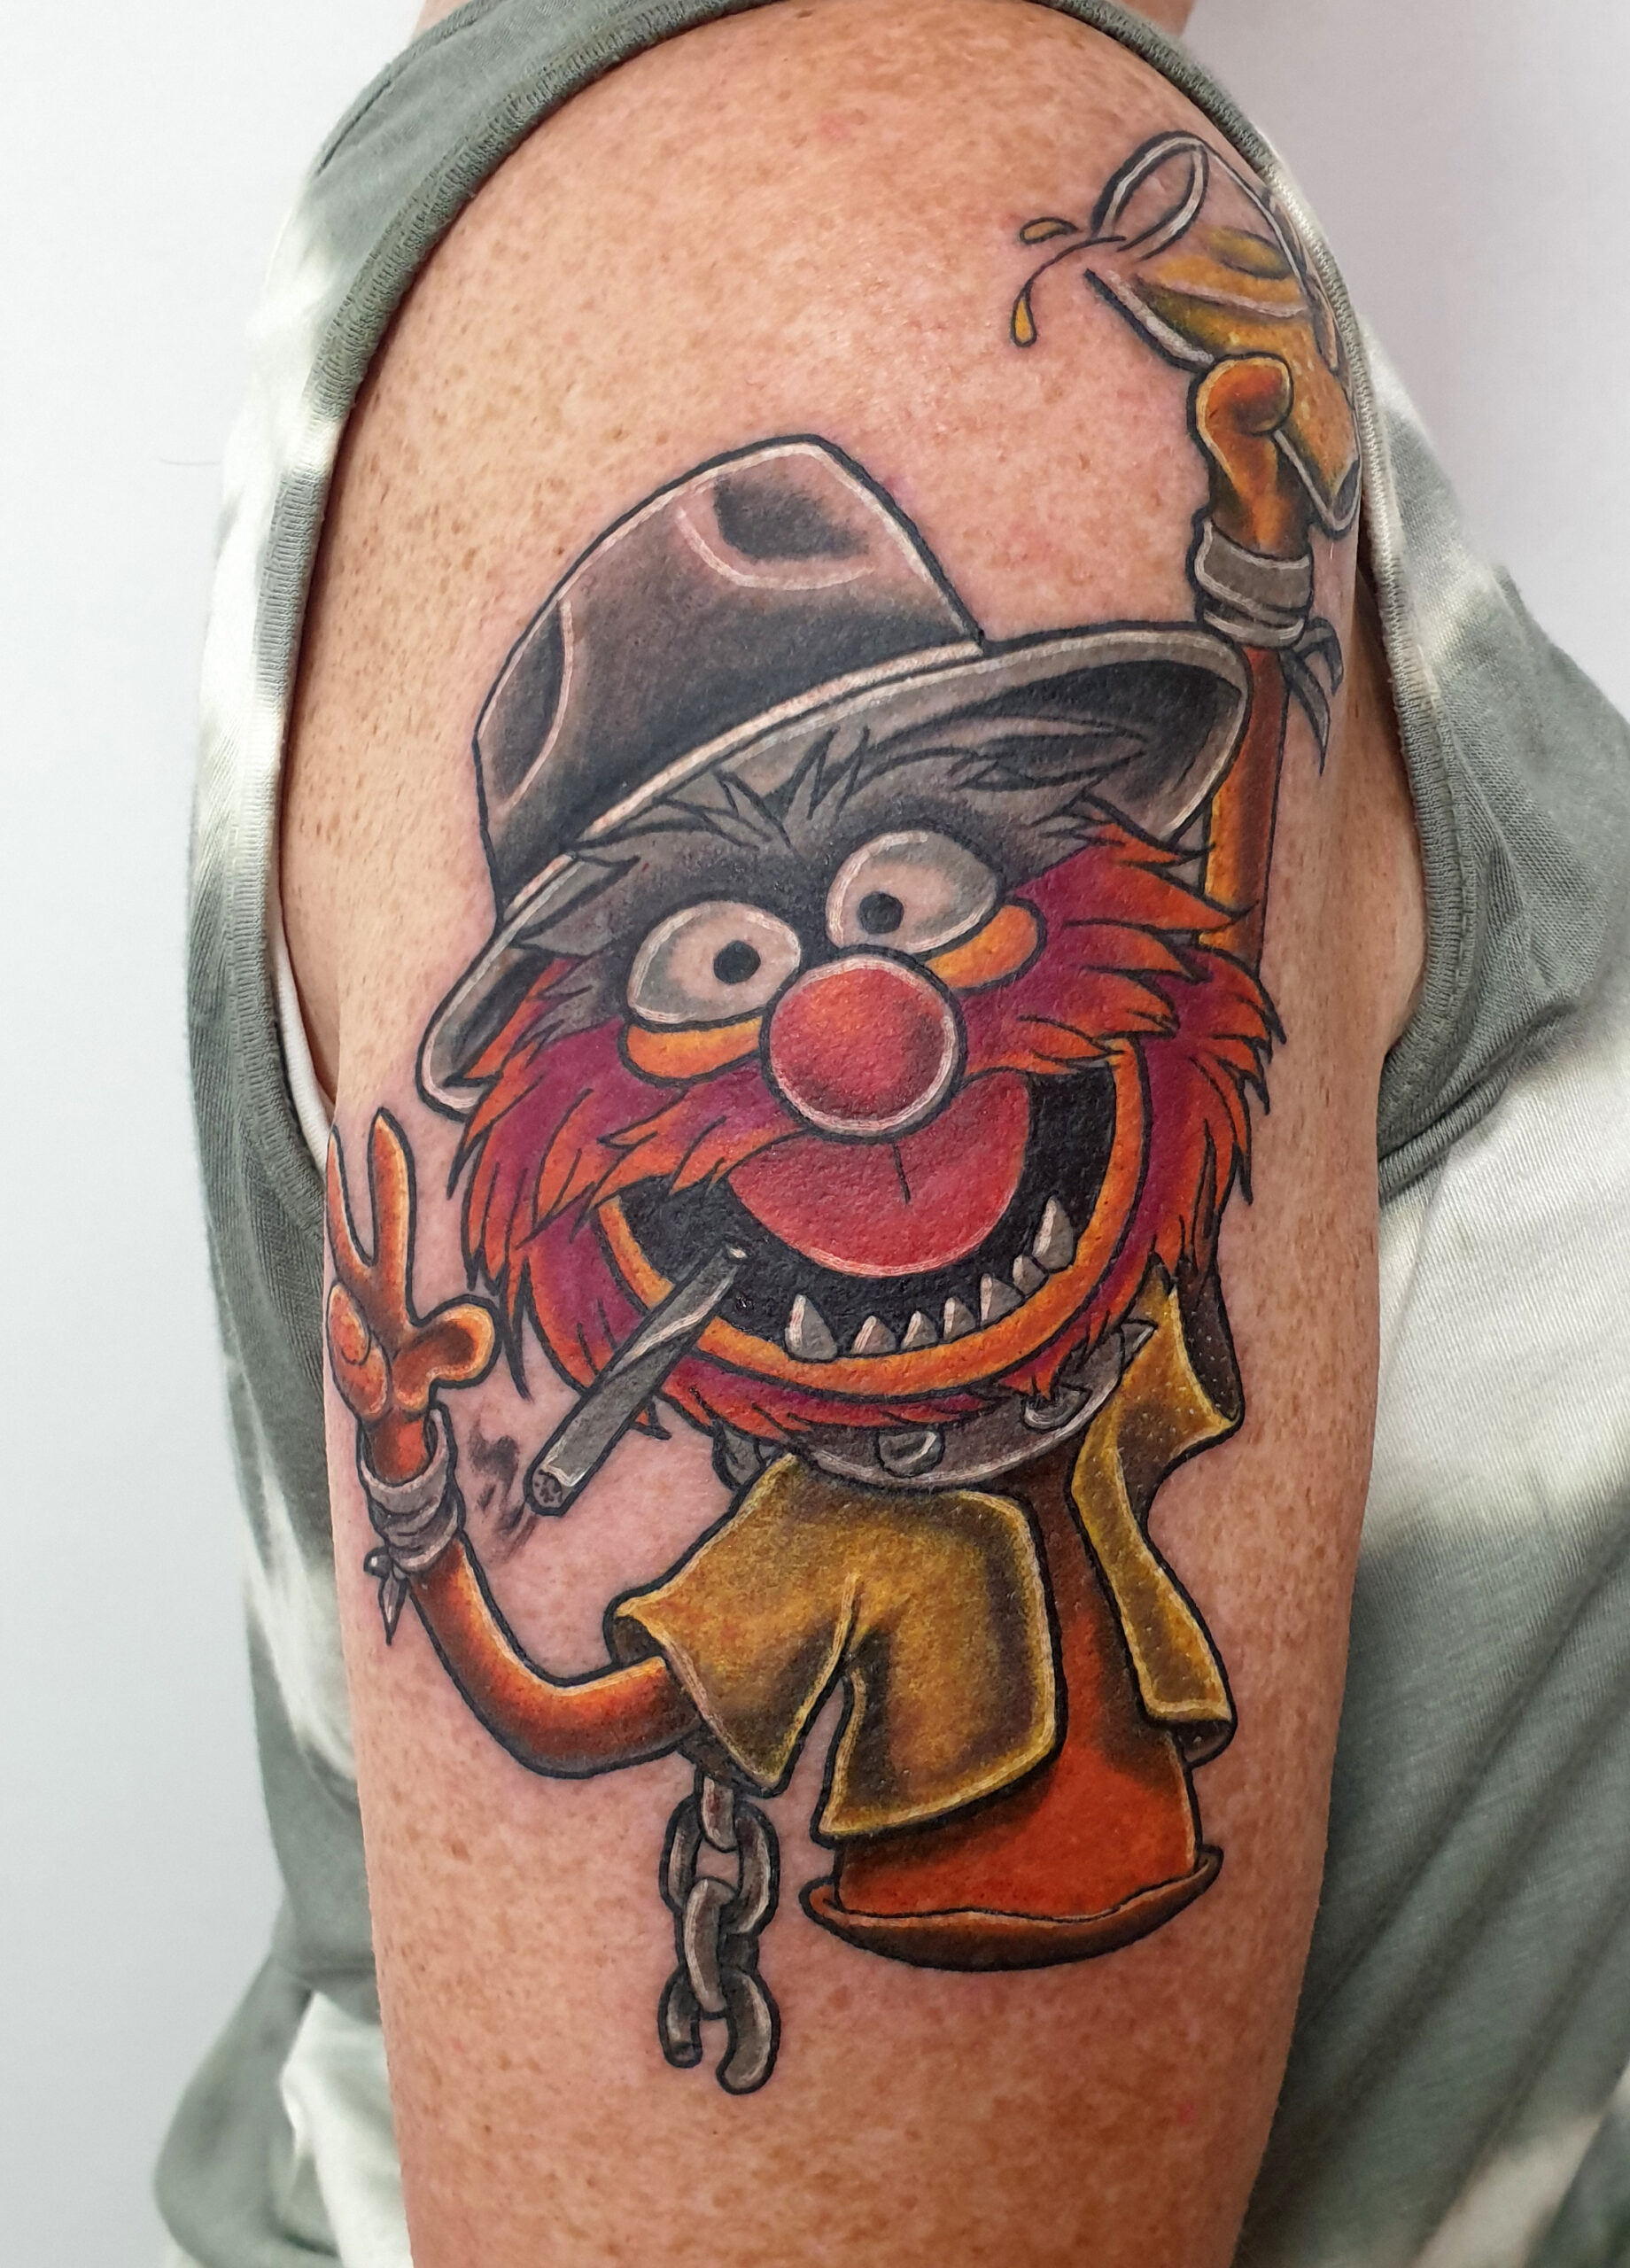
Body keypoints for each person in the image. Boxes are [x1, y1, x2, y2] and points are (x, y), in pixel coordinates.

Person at [167, 2, 1630, 2262]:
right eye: (723, 963)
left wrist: (1257, 554)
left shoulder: (788, 199)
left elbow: (1199, 933)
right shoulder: (858, 230)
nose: (860, 1038)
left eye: (903, 899)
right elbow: (576, 1705)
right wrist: (427, 1487)